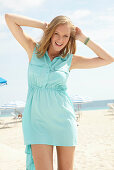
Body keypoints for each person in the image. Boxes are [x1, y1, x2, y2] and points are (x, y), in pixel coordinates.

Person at [5, 13, 114, 170]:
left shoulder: (69, 60)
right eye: (56, 33)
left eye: (65, 36)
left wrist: (83, 37)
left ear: (70, 38)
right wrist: (43, 25)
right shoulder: (33, 50)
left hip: (63, 121)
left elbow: (108, 59)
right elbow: (9, 18)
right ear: (50, 33)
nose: (60, 39)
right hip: (37, 123)